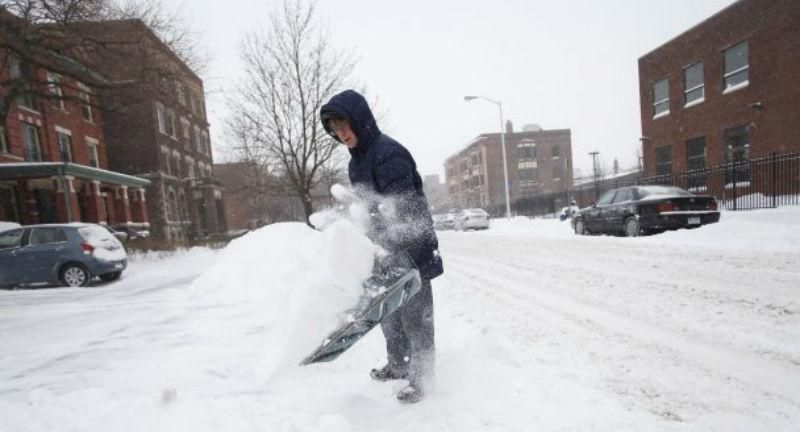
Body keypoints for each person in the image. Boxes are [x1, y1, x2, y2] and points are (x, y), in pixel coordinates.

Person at [320, 89, 444, 404]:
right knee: (389, 315)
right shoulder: (356, 163)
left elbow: (404, 211)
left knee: (416, 318)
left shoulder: (388, 154)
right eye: (335, 129)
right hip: (384, 251)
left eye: (345, 125)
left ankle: (423, 380)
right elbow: (369, 209)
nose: (342, 133)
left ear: (360, 120)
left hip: (411, 250)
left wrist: (390, 245)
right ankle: (398, 365)